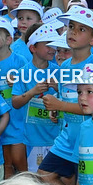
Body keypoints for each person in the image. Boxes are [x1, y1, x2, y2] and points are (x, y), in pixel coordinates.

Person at [37, 7, 93, 185]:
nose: (73, 32)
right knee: (44, 174)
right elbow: (66, 95)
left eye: (82, 29)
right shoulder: (64, 65)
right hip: (66, 136)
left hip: (86, 137)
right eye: (71, 26)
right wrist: (56, 109)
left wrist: (60, 105)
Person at [12, 23, 67, 171]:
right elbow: (15, 102)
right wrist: (32, 92)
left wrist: (58, 88)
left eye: (54, 45)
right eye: (48, 45)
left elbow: (69, 98)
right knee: (36, 178)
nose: (52, 49)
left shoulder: (59, 71)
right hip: (33, 139)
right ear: (33, 48)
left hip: (57, 138)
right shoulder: (23, 72)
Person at [0, 15, 28, 179]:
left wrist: (18, 83)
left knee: (21, 165)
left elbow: (30, 86)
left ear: (9, 39)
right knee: (6, 167)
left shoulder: (20, 61)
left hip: (18, 122)